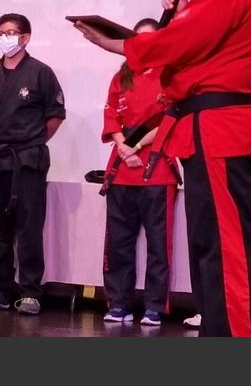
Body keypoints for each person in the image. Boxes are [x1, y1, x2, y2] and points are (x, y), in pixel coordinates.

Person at [73, 0, 251, 336]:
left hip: (220, 125)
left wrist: (123, 45)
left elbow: (188, 46)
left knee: (226, 244)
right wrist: (187, 15)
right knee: (214, 240)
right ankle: (221, 331)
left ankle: (233, 337)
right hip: (216, 124)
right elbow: (210, 46)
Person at [0, 13, 65, 316]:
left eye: (12, 32)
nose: (5, 38)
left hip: (28, 160)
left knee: (29, 225)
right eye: (1, 33)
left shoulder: (41, 73)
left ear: (25, 37)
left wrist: (30, 142)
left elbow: (54, 117)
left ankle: (31, 290)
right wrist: (1, 139)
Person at [182, 67, 251, 334]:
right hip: (210, 173)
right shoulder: (209, 76)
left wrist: (238, 156)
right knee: (208, 244)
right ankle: (208, 308)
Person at [97, 18, 178, 327]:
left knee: (159, 244)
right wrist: (122, 146)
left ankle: (155, 305)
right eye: (139, 39)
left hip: (156, 169)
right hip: (120, 171)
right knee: (118, 242)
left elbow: (171, 120)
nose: (144, 45)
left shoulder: (170, 76)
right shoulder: (121, 78)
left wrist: (136, 146)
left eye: (151, 39)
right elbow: (110, 116)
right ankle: (119, 302)